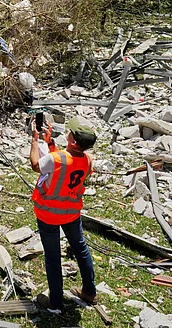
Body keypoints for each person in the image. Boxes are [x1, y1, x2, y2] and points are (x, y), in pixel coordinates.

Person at [29, 116, 99, 313]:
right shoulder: (88, 160)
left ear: (73, 140)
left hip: (48, 214)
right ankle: (89, 291)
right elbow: (66, 165)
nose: (67, 132)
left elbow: (36, 165)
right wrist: (51, 143)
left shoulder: (56, 157)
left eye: (70, 132)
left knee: (53, 257)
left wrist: (35, 140)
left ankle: (56, 303)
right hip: (71, 213)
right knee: (81, 249)